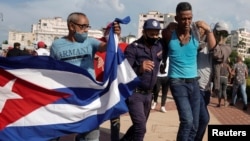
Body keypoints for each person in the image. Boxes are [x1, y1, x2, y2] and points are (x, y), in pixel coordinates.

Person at [49, 12, 121, 141]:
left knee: (91, 136)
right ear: (71, 26)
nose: (87, 30)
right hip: (65, 97)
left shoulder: (90, 42)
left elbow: (107, 47)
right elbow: (52, 70)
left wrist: (115, 35)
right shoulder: (56, 45)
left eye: (88, 26)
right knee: (53, 134)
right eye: (83, 26)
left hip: (88, 98)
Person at [161, 2, 215, 141]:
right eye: (183, 18)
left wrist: (208, 29)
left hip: (194, 83)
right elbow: (161, 37)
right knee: (187, 121)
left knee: (196, 124)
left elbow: (213, 46)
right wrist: (168, 26)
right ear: (177, 18)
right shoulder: (169, 33)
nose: (187, 22)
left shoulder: (196, 34)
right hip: (177, 82)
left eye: (189, 18)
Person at [120, 18, 163, 141]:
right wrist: (140, 68)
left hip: (149, 95)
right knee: (141, 128)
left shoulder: (158, 46)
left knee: (137, 127)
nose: (154, 36)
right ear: (144, 32)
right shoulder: (133, 48)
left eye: (156, 34)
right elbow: (124, 72)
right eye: (151, 34)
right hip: (135, 94)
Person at [94, 23, 128, 141]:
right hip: (97, 87)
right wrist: (94, 56)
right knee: (94, 117)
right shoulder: (97, 43)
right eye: (109, 31)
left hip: (114, 88)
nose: (111, 34)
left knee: (115, 118)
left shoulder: (124, 46)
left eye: (115, 31)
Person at [195, 23, 216, 141]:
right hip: (196, 87)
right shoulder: (194, 45)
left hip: (206, 89)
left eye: (203, 30)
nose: (201, 32)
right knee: (204, 119)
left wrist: (209, 30)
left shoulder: (211, 47)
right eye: (199, 30)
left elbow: (216, 51)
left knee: (198, 120)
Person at [212, 22, 232, 104]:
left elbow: (218, 55)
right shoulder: (207, 43)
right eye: (219, 33)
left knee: (221, 90)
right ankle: (222, 102)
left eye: (224, 34)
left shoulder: (227, 48)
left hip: (219, 79)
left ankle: (220, 102)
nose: (221, 37)